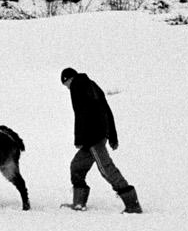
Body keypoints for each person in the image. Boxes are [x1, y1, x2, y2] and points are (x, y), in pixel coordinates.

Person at [60, 67, 140, 213]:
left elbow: (81, 113)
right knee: (77, 166)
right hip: (96, 135)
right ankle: (79, 203)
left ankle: (132, 204)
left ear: (68, 79)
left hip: (92, 137)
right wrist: (112, 136)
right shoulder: (92, 85)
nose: (67, 88)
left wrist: (78, 139)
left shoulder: (77, 86)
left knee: (106, 169)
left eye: (66, 85)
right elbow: (106, 110)